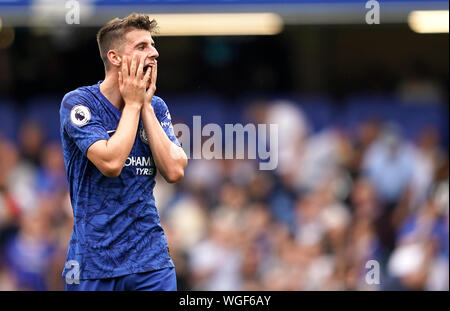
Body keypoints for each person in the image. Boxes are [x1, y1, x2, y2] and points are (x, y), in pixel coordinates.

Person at [59, 13, 188, 291]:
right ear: (115, 57)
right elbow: (111, 162)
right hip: (93, 263)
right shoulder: (78, 103)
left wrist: (146, 106)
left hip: (150, 261)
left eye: (152, 45)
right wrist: (132, 106)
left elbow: (175, 170)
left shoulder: (156, 106)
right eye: (141, 46)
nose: (153, 53)